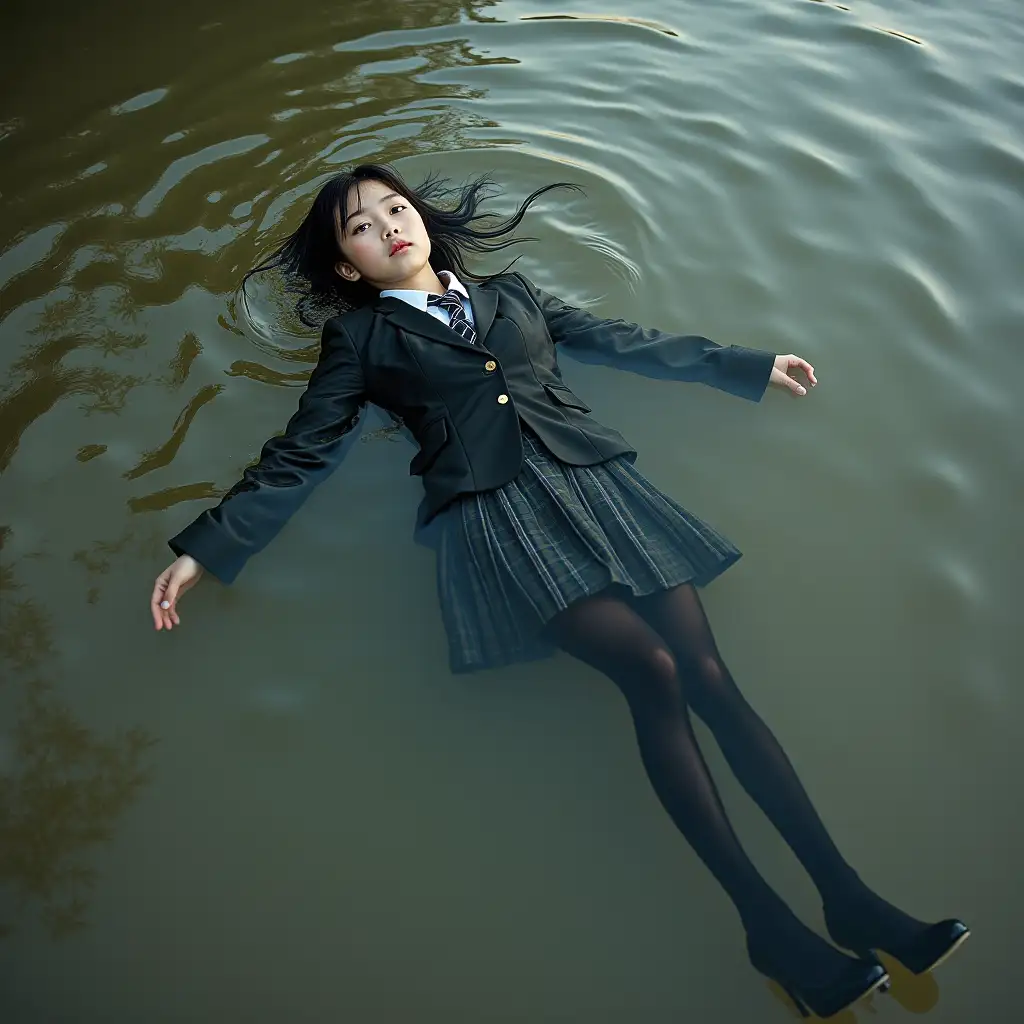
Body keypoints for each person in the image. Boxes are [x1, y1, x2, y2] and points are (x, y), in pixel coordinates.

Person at [149, 163, 968, 1017]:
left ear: (421, 220)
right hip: (497, 517)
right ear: (348, 267)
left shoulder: (512, 294)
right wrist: (206, 549)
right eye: (362, 225)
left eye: (397, 207)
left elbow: (615, 338)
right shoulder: (360, 343)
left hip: (600, 485)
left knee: (710, 676)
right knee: (652, 668)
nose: (389, 224)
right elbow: (303, 448)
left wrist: (743, 365)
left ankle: (850, 900)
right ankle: (767, 924)